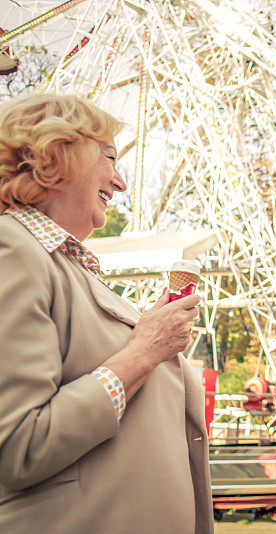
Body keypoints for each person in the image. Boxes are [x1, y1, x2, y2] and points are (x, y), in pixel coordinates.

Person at [0, 93, 212, 533]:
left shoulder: (65, 264)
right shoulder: (12, 250)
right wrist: (142, 353)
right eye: (110, 158)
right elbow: (19, 447)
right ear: (60, 157)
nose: (120, 183)